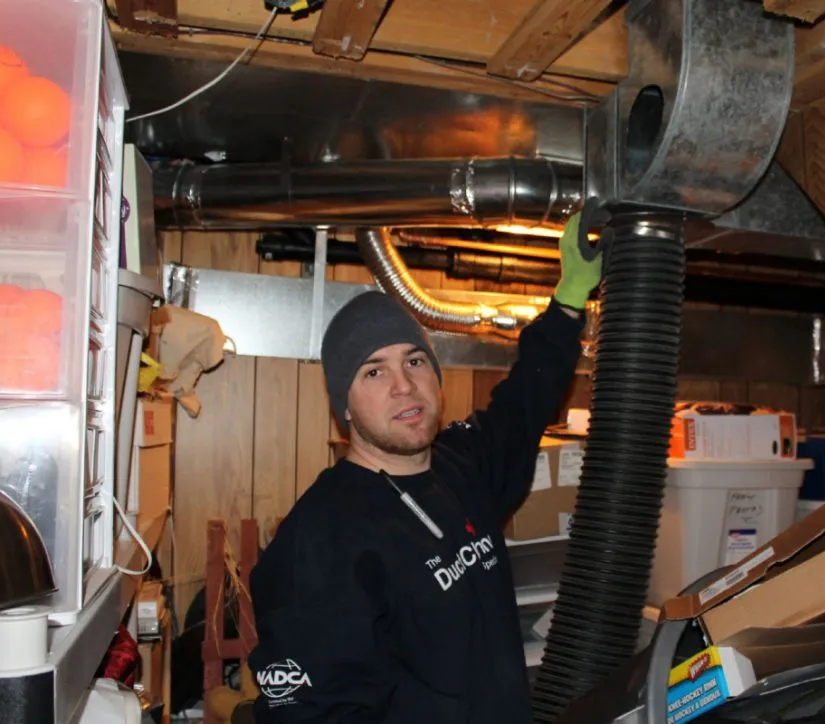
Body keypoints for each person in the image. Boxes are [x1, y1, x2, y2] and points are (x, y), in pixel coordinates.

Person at [248, 211, 604, 723]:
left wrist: (568, 300)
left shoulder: (462, 465)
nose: (403, 386)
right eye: (374, 372)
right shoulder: (319, 541)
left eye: (414, 361)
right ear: (343, 406)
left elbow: (524, 403)